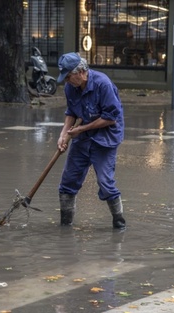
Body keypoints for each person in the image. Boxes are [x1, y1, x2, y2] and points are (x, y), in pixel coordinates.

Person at [56, 52, 125, 229]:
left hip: (105, 137)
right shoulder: (70, 87)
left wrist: (82, 129)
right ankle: (65, 226)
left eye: (69, 76)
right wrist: (64, 134)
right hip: (82, 138)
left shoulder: (103, 84)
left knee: (105, 183)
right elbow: (71, 112)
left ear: (80, 72)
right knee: (68, 181)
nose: (67, 81)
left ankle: (119, 224)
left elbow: (111, 118)